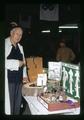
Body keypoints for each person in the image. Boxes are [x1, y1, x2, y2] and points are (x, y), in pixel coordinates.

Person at [5, 25, 28, 115]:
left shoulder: (20, 47)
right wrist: (17, 63)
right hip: (8, 81)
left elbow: (24, 63)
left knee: (17, 105)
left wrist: (25, 75)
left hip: (19, 80)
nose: (19, 36)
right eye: (17, 34)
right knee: (9, 105)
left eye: (21, 35)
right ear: (11, 33)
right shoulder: (4, 44)